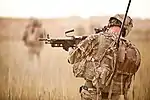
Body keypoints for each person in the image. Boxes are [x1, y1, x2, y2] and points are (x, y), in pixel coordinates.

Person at [67, 14, 141, 100]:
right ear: (126, 29)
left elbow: (72, 58)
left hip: (93, 93)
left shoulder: (97, 38)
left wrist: (69, 48)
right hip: (115, 96)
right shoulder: (131, 48)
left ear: (110, 24)